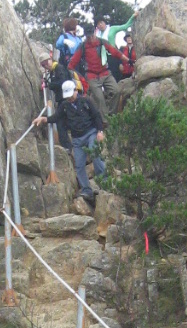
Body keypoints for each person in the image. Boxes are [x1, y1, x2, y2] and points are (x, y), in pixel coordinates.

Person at [35, 71, 106, 208]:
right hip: (77, 138)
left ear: (75, 90)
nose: (70, 99)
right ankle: (86, 190)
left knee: (95, 153)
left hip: (91, 132)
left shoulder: (86, 101)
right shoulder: (65, 106)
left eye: (71, 95)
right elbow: (57, 117)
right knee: (79, 165)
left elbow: (97, 115)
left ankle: (104, 182)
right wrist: (44, 119)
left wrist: (100, 131)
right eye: (67, 96)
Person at [67, 21, 128, 121]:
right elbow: (71, 65)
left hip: (105, 73)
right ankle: (105, 122)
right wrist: (80, 79)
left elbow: (115, 52)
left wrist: (128, 60)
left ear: (95, 32)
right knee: (99, 99)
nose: (90, 38)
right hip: (92, 76)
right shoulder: (82, 46)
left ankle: (112, 116)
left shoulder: (102, 42)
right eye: (88, 36)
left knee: (116, 91)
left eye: (91, 35)